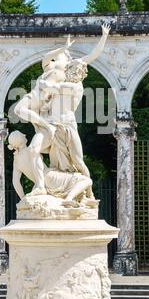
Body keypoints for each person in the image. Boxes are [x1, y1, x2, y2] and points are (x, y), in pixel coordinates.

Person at [13, 24, 110, 194]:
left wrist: (104, 37)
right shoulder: (51, 66)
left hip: (63, 123)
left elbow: (92, 56)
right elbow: (45, 59)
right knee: (34, 149)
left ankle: (89, 193)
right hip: (47, 118)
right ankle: (41, 187)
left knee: (77, 162)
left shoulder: (71, 76)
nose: (60, 57)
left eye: (63, 55)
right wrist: (62, 48)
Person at [8, 130, 93, 205]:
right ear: (20, 140)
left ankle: (73, 198)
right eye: (22, 135)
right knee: (86, 180)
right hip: (49, 177)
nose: (24, 135)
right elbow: (52, 147)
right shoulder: (32, 149)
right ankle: (68, 199)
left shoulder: (16, 160)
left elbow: (16, 182)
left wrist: (23, 198)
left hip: (41, 184)